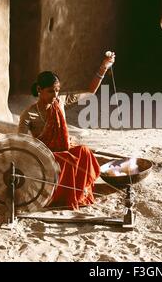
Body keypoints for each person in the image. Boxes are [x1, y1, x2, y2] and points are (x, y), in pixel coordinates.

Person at [18, 52, 116, 210]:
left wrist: (104, 67)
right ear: (39, 89)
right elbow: (21, 142)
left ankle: (79, 192)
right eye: (50, 91)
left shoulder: (61, 102)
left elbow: (89, 92)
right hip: (46, 155)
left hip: (64, 147)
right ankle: (62, 196)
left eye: (57, 90)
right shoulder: (29, 114)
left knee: (84, 152)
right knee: (67, 159)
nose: (55, 95)